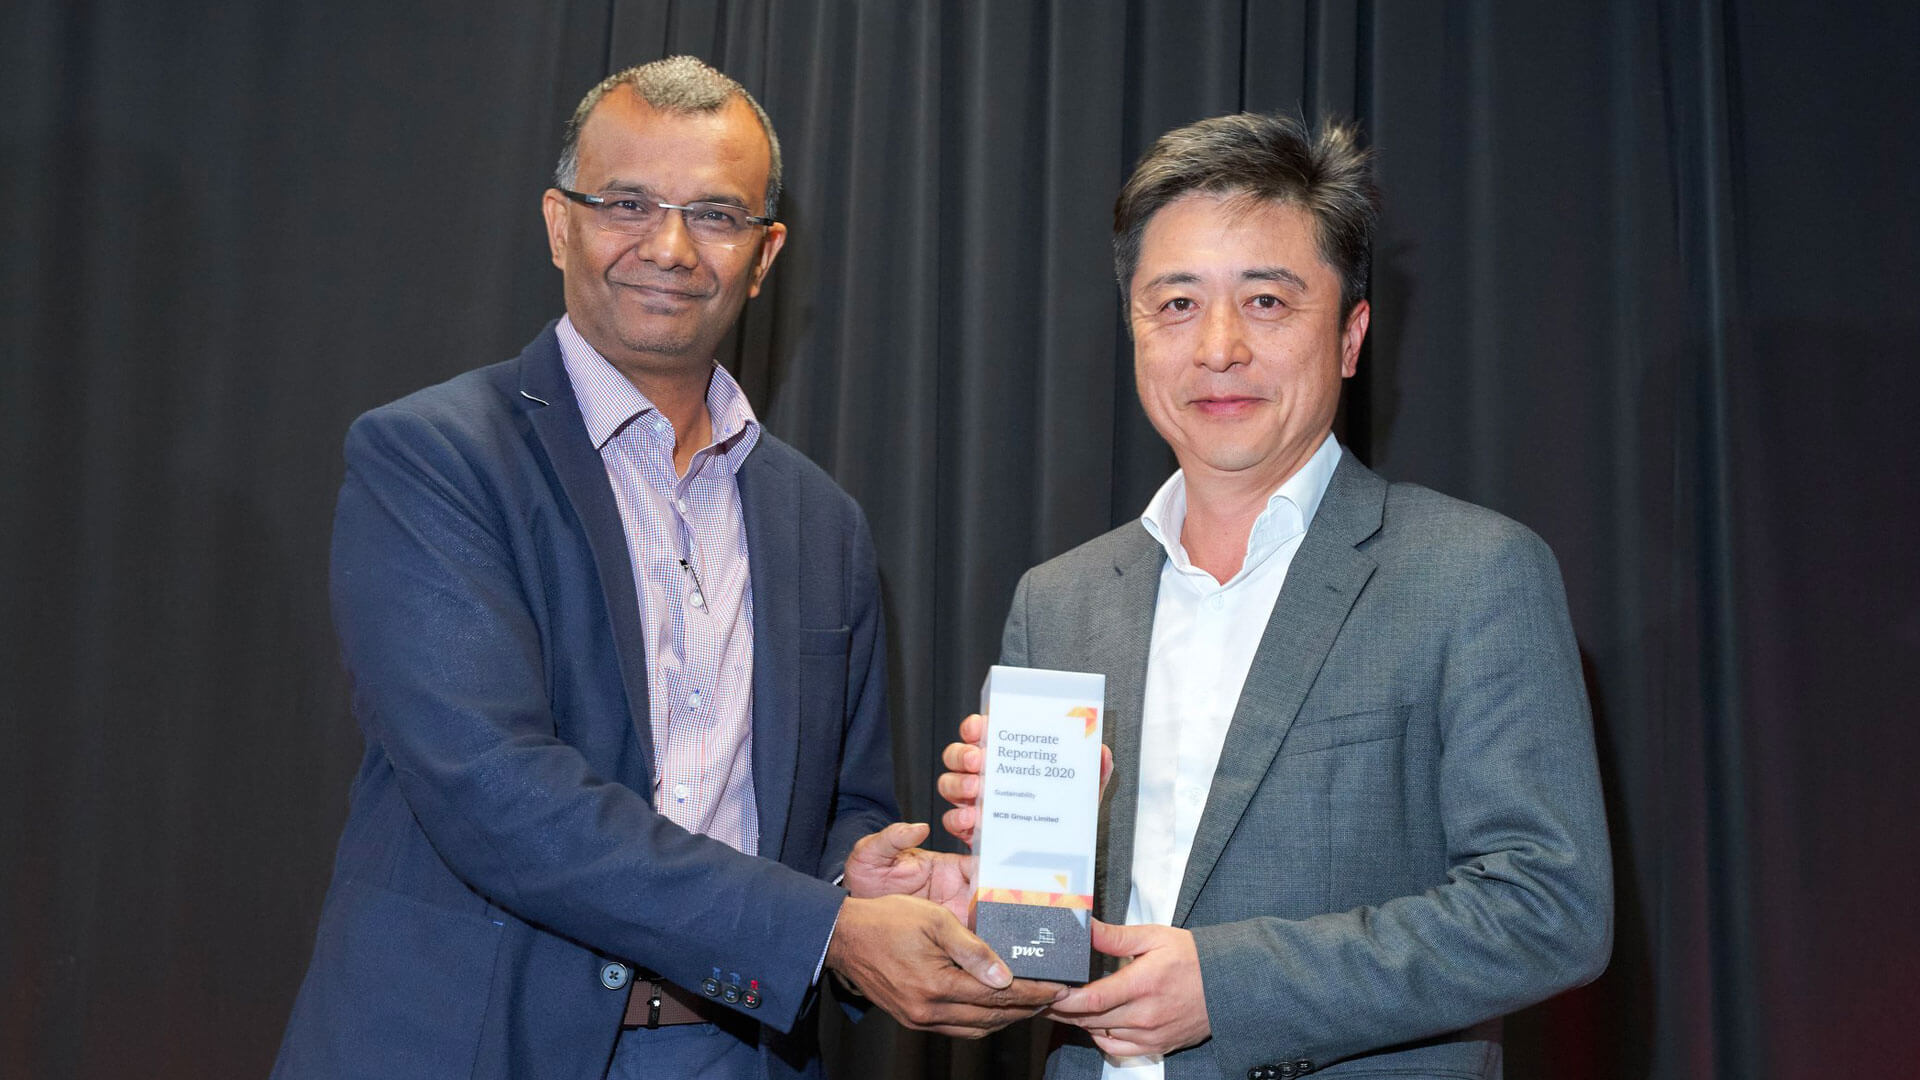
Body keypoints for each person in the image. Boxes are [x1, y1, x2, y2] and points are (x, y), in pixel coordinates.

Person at [272, 56, 1052, 1080]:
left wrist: (858, 884)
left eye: (716, 215)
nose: (671, 248)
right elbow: (495, 790)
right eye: (628, 204)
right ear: (560, 224)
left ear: (765, 256)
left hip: (739, 1051)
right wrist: (819, 930)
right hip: (476, 1046)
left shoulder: (824, 523)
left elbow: (843, 805)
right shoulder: (433, 460)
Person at [939, 113, 1612, 1080]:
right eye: (1176, 303)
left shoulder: (1473, 573)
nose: (1218, 348)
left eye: (1265, 301)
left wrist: (1229, 986)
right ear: (1134, 328)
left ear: (1350, 336)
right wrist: (973, 894)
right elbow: (1048, 944)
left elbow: (1551, 909)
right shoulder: (1061, 600)